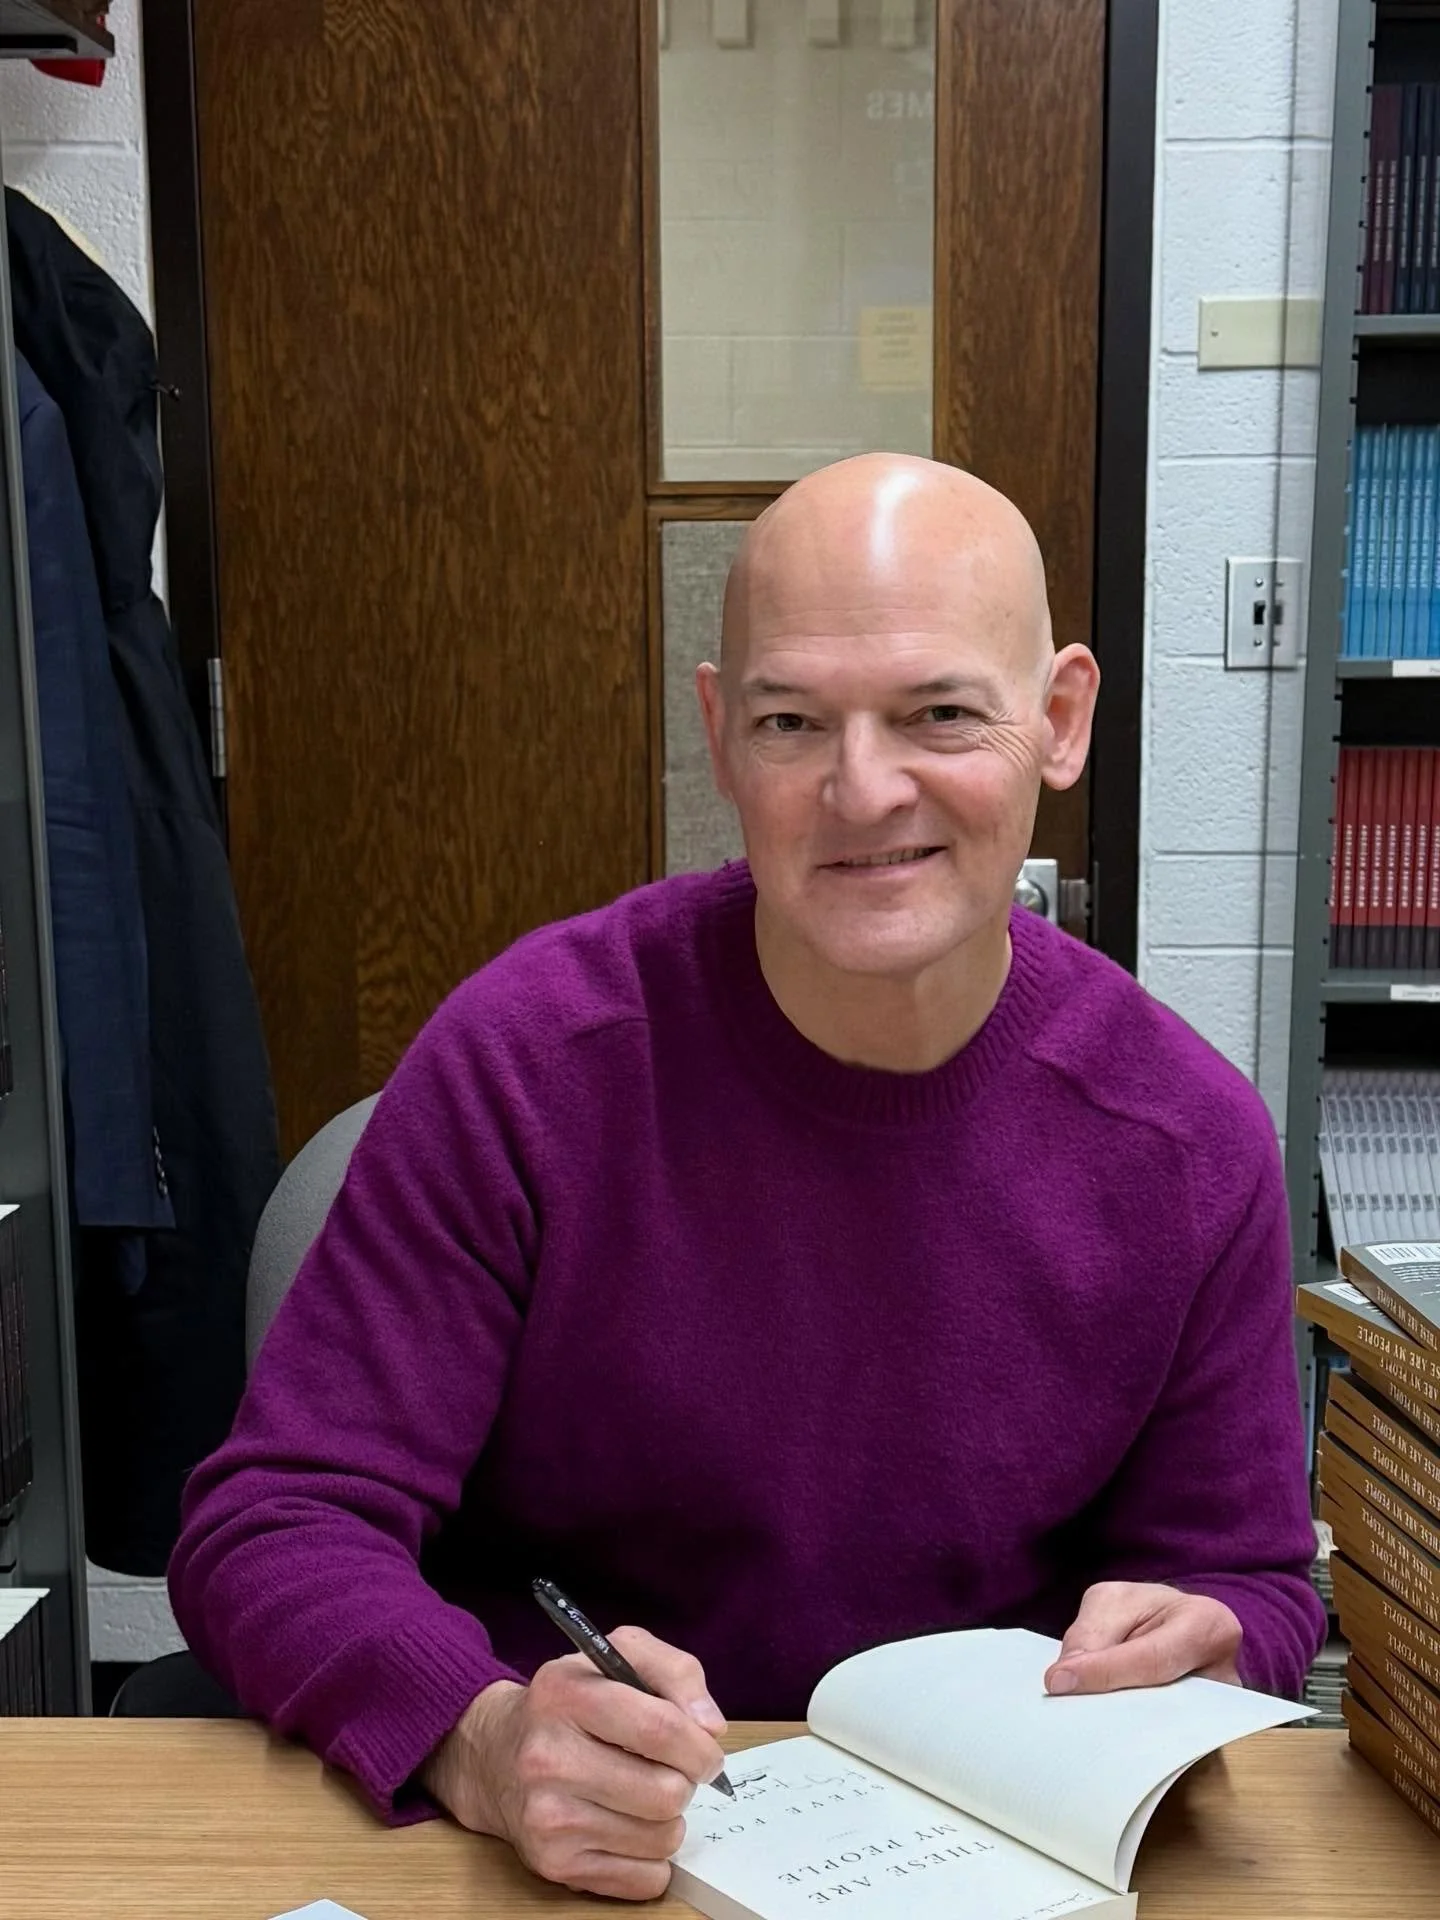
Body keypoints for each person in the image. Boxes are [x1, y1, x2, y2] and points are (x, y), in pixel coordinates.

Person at [169, 453, 1326, 1901]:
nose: (862, 789)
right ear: (720, 734)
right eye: (793, 721)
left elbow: (1258, 1586)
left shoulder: (1187, 1141)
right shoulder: (531, 1060)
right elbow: (275, 1521)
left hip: (987, 1861)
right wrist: (478, 1736)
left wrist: (1212, 1635)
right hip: (570, 1859)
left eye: (939, 714)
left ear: (1062, 719)